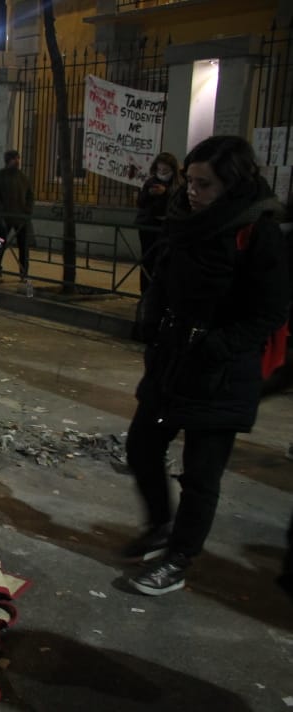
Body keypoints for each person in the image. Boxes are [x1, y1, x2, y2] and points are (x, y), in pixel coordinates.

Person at [123, 135, 288, 596]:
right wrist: (151, 320)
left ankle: (179, 558)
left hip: (222, 372)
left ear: (232, 183)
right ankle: (160, 525)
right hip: (172, 360)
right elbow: (164, 276)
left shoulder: (258, 232)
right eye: (189, 181)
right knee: (141, 446)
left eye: (204, 184)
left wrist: (216, 345)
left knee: (200, 474)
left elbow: (270, 311)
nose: (192, 191)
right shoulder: (183, 219)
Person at [134, 152, 182, 293]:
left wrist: (165, 193)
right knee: (148, 259)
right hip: (149, 226)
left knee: (165, 260)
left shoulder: (178, 184)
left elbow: (179, 202)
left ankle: (161, 292)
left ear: (172, 169)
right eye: (159, 170)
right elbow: (140, 202)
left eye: (165, 170)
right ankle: (145, 292)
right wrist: (149, 194)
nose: (162, 173)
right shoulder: (151, 182)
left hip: (168, 226)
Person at [0, 149, 35, 281]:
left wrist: (27, 210)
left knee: (23, 246)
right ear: (8, 160)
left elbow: (30, 196)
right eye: (15, 158)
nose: (18, 161)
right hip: (5, 218)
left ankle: (24, 272)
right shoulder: (0, 177)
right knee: (0, 244)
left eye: (18, 158)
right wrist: (2, 211)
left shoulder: (23, 177)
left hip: (21, 218)